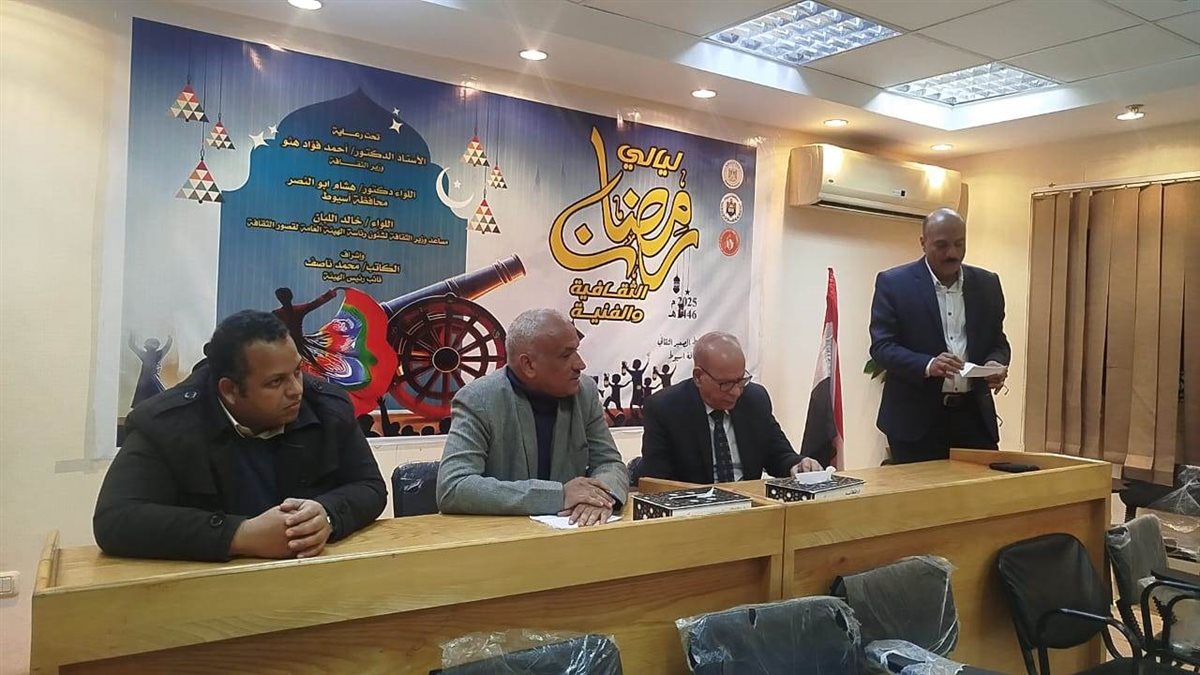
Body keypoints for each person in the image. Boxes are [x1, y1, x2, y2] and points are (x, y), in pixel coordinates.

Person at [94, 310, 387, 561]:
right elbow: (116, 519)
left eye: (297, 371)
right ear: (230, 391)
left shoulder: (326, 407)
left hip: (314, 581)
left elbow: (370, 486)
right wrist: (239, 535)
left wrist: (327, 515)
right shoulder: (167, 423)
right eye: (276, 382)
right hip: (207, 592)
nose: (296, 390)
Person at [436, 308, 628, 526]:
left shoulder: (585, 391)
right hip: (502, 537)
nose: (580, 364)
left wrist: (599, 499)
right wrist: (559, 496)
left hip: (572, 535)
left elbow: (609, 463)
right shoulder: (478, 400)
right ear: (528, 365)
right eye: (566, 355)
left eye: (576, 350)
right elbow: (454, 487)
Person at [869, 207, 1010, 464]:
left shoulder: (987, 284)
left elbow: (998, 342)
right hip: (915, 424)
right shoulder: (894, 283)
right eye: (942, 245)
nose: (952, 253)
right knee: (921, 491)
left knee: (981, 489)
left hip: (974, 420)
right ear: (923, 243)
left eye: (959, 244)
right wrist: (928, 364)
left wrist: (995, 363)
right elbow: (882, 347)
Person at [639, 332, 824, 484]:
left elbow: (778, 454)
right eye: (726, 384)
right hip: (693, 509)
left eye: (741, 380)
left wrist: (798, 465)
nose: (736, 392)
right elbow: (658, 480)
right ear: (698, 377)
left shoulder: (755, 399)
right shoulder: (665, 408)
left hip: (749, 505)